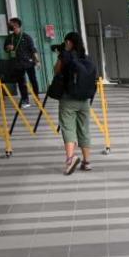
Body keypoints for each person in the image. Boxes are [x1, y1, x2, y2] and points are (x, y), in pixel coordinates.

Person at [54, 32, 97, 175]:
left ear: (68, 42)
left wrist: (62, 55)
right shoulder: (86, 57)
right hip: (84, 100)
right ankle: (86, 162)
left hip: (68, 99)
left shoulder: (65, 56)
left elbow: (56, 71)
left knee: (68, 129)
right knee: (84, 130)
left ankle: (70, 159)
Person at [3, 19, 39, 108]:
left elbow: (33, 50)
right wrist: (8, 48)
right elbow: (5, 49)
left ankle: (36, 97)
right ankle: (25, 100)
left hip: (28, 63)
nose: (10, 25)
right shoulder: (9, 37)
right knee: (21, 82)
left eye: (11, 24)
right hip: (17, 64)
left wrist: (37, 61)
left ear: (17, 25)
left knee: (33, 80)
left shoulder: (26, 37)